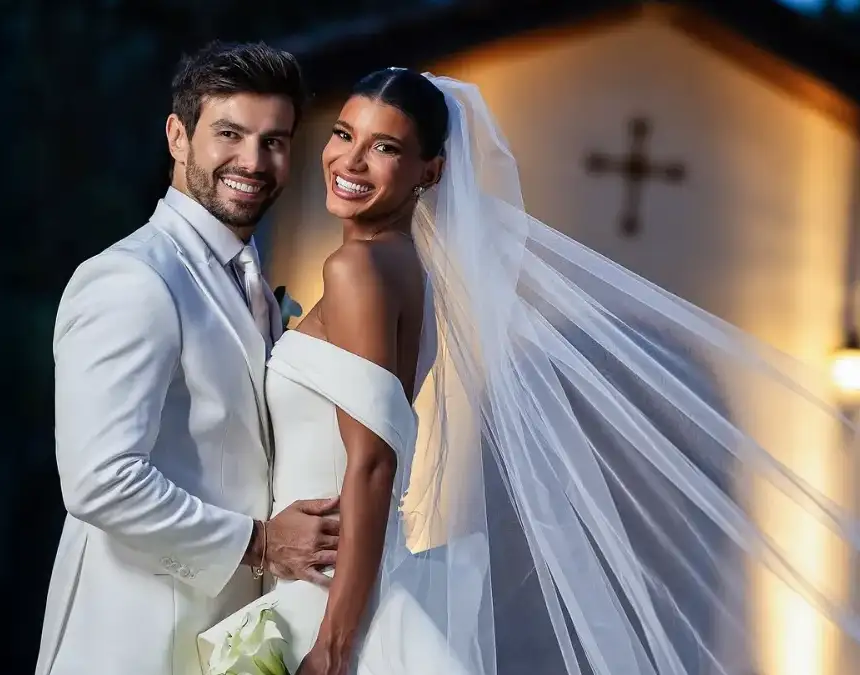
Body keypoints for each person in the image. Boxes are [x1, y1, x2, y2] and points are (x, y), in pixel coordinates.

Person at [198, 68, 860, 675]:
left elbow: (371, 463)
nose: (349, 159)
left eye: (386, 148)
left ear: (431, 171)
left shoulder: (357, 271)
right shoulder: (406, 270)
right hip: (331, 578)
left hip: (327, 592)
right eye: (344, 133)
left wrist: (335, 642)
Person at [34, 41, 341, 675]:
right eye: (229, 133)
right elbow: (100, 479)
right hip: (138, 637)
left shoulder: (252, 276)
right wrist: (259, 544)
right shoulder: (131, 279)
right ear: (178, 136)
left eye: (275, 141)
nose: (253, 161)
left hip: (234, 633)